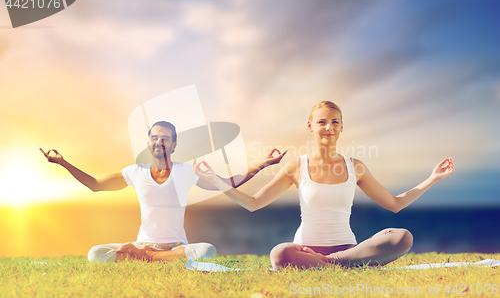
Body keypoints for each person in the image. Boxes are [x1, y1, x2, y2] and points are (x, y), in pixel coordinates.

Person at [193, 101, 454, 270]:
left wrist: (432, 179)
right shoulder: (296, 166)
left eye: (334, 122)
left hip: (349, 249)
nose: (328, 127)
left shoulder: (356, 166)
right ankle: (344, 264)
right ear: (310, 126)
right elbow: (253, 203)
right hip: (305, 250)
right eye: (322, 122)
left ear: (341, 127)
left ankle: (331, 263)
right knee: (280, 253)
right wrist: (215, 179)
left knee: (402, 237)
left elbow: (395, 204)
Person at [40, 121, 286, 263]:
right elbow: (96, 184)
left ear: (175, 144)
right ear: (148, 144)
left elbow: (228, 183)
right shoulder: (134, 172)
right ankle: (152, 257)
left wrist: (263, 163)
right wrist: (63, 162)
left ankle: (145, 258)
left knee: (206, 251)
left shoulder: (188, 170)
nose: (160, 142)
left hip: (177, 246)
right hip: (143, 242)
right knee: (95, 254)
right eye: (155, 138)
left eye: (166, 138)